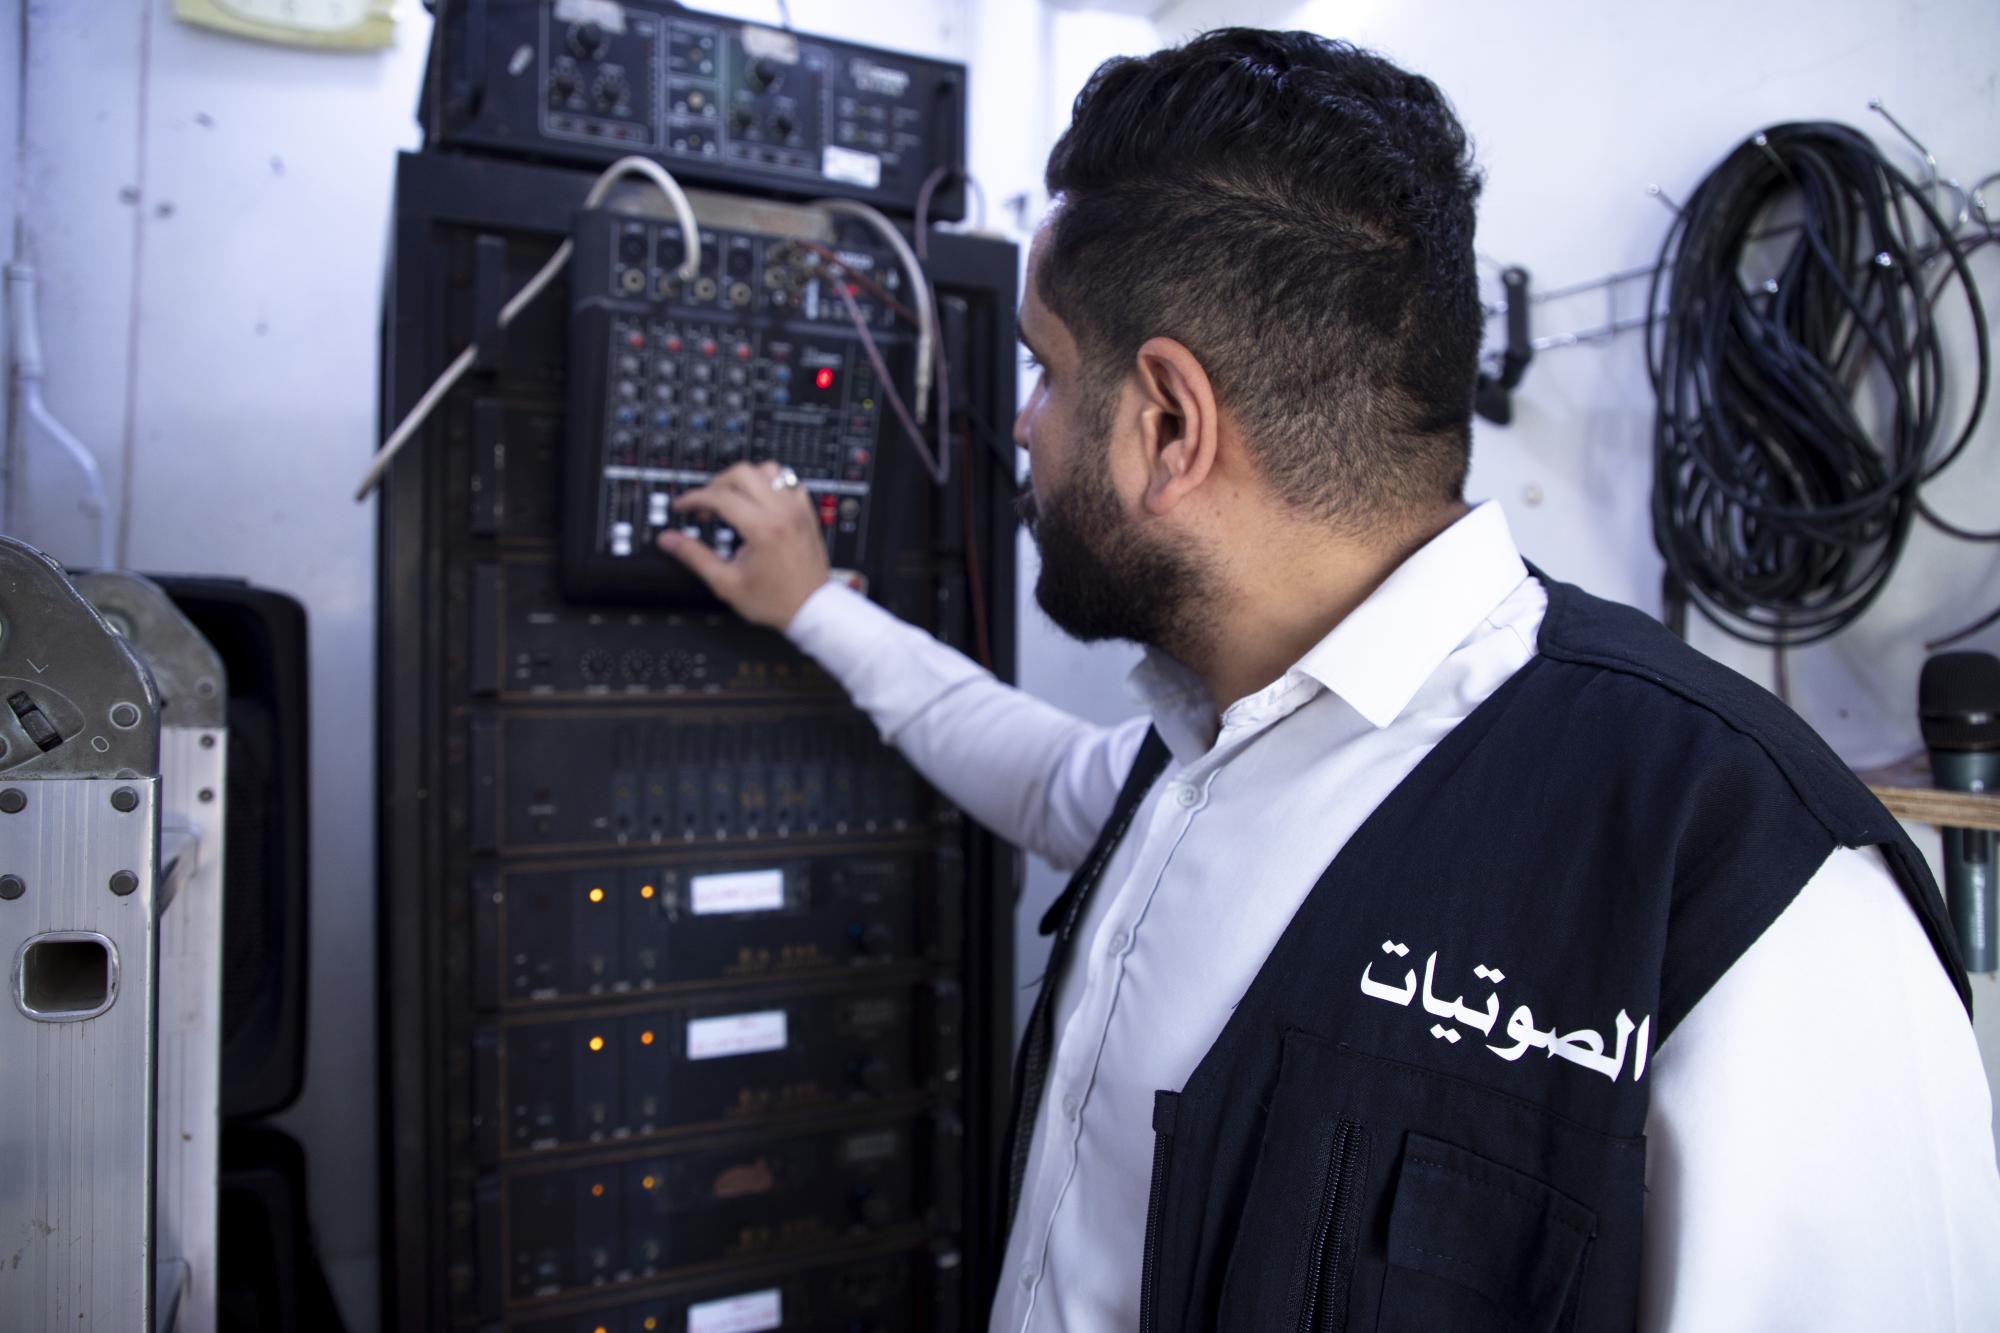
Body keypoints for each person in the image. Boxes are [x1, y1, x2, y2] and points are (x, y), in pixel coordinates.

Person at [657, 28, 2000, 1333]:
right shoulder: (1199, 754)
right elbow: (1028, 767)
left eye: (1044, 370)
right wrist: (813, 606)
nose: (1022, 424)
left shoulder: (1755, 891)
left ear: (1169, 425)